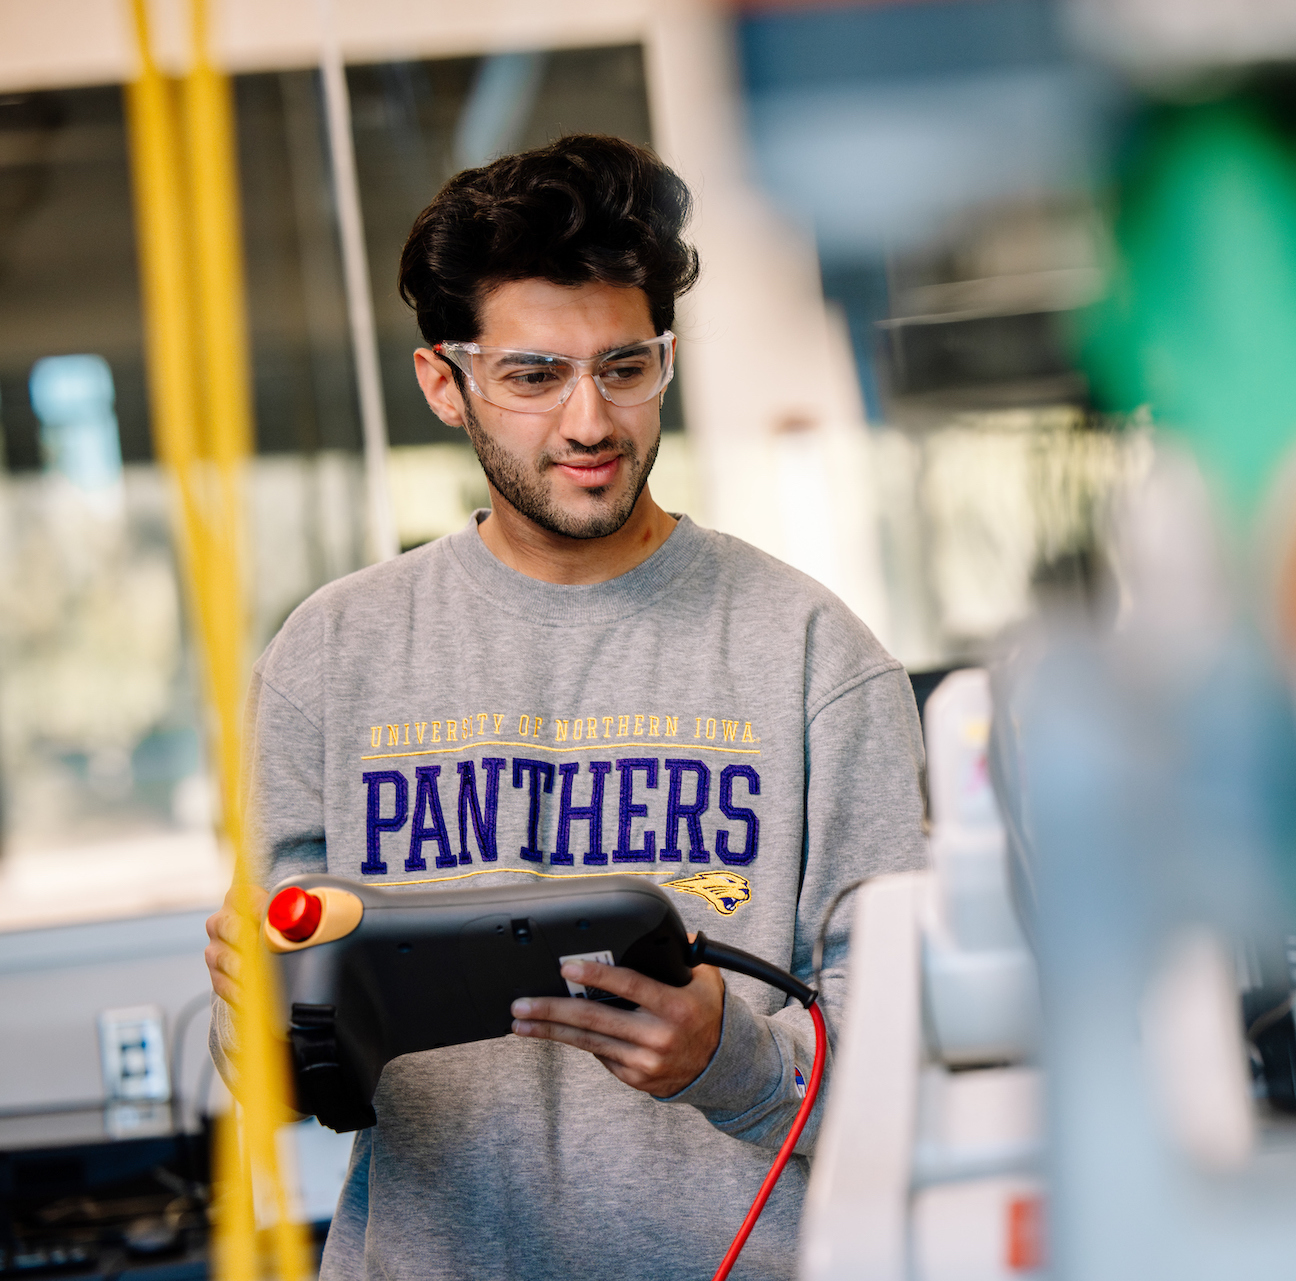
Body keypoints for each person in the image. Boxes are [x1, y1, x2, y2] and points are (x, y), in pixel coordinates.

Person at [202, 133, 926, 1280]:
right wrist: (258, 1023)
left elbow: (912, 1077)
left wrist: (725, 1062)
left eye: (625, 368)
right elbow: (289, 1081)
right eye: (535, 378)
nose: (590, 422)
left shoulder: (811, 656)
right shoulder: (331, 655)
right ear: (446, 382)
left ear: (664, 361)